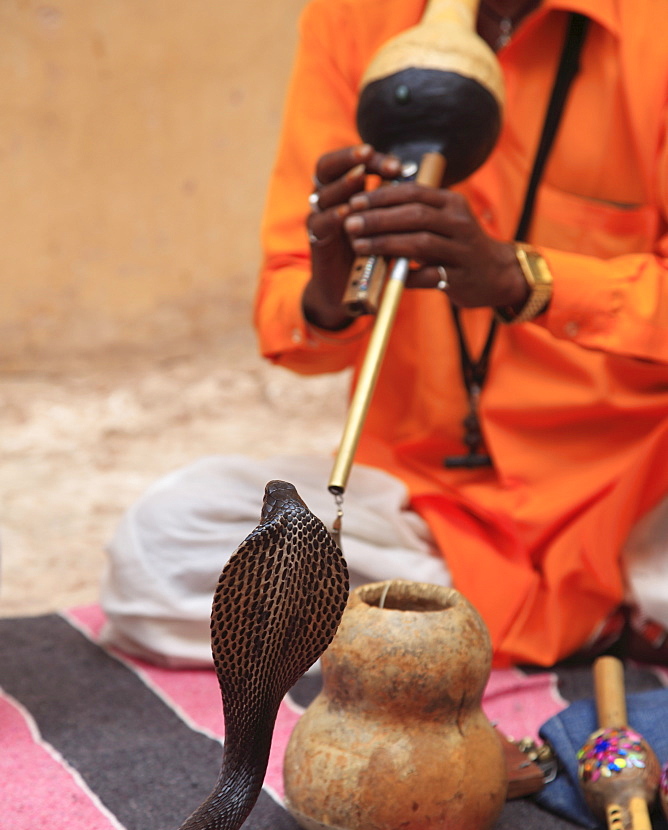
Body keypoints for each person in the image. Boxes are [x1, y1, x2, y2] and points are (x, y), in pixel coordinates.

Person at [101, 0, 668, 669]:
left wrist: (525, 280)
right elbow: (288, 305)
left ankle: (438, 634)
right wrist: (331, 293)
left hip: (635, 490)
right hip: (433, 509)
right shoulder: (355, 18)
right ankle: (576, 622)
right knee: (159, 552)